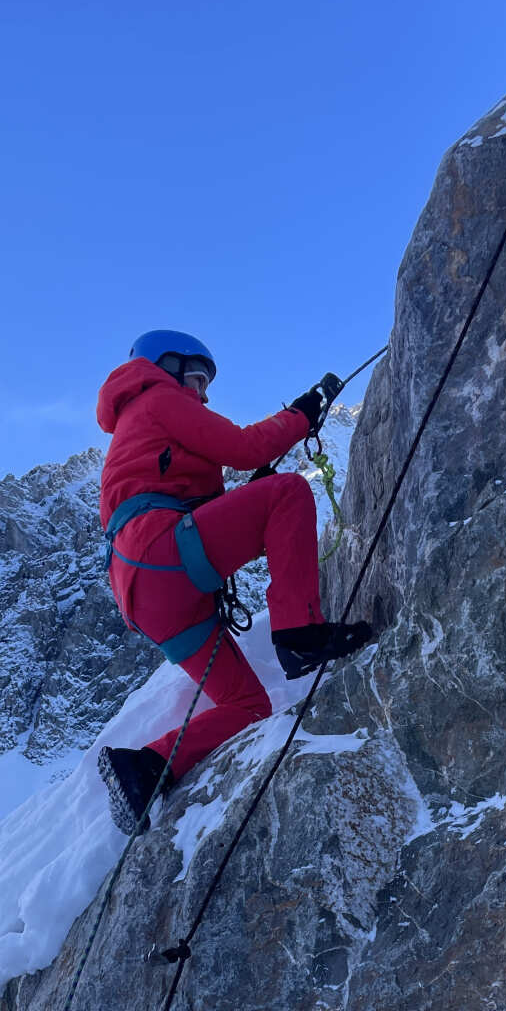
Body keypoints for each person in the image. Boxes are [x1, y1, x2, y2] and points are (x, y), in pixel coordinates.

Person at [95, 330, 372, 834]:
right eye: (198, 380)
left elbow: (184, 495)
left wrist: (243, 494)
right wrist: (304, 413)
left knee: (247, 704)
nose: (202, 394)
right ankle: (298, 632)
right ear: (168, 366)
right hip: (162, 555)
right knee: (288, 493)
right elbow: (244, 447)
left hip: (147, 594)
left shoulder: (136, 430)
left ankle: (145, 767)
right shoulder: (156, 397)